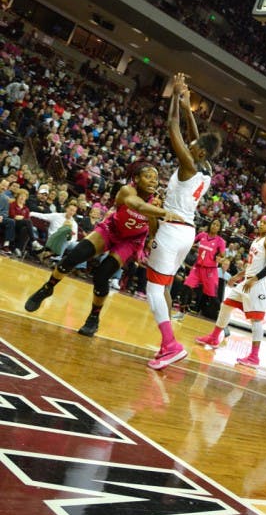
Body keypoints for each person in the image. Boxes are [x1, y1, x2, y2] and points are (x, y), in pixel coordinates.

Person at [23, 164, 177, 336]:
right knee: (75, 256)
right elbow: (137, 205)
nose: (153, 181)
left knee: (102, 275)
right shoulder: (127, 190)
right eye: (148, 176)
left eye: (155, 178)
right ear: (136, 179)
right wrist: (161, 211)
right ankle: (47, 288)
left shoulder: (156, 203)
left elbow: (154, 232)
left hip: (130, 241)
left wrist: (154, 215)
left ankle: (93, 317)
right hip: (111, 229)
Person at [143, 74, 221, 370]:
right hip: (187, 233)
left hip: (173, 230)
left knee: (152, 290)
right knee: (163, 287)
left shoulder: (189, 165)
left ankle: (170, 345)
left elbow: (171, 126)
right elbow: (193, 133)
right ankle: (168, 342)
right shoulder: (206, 166)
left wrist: (175, 96)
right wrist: (190, 108)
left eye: (194, 144)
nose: (190, 143)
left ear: (198, 151)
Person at [195, 214, 266, 367]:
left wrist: (254, 279)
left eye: (265, 223)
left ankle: (254, 356)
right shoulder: (256, 240)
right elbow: (252, 264)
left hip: (259, 283)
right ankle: (214, 338)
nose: (261, 224)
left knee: (256, 319)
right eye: (261, 222)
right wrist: (239, 275)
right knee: (226, 305)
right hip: (248, 280)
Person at [183, 218, 226, 318]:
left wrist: (220, 257)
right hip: (197, 268)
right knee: (187, 286)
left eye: (217, 225)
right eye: (213, 224)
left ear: (219, 228)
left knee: (212, 296)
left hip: (210, 270)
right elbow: (191, 242)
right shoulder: (202, 235)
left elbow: (223, 255)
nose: (214, 226)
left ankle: (222, 315)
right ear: (210, 224)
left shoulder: (220, 241)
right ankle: (182, 310)